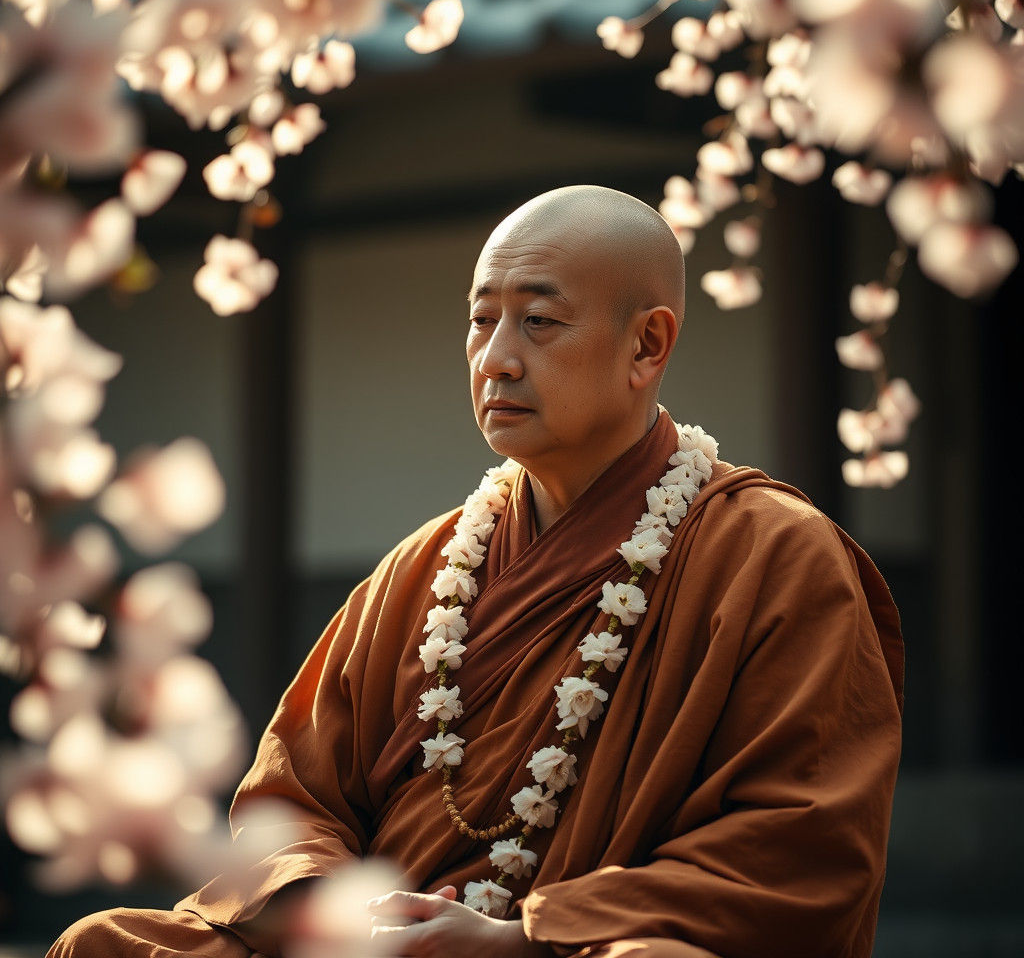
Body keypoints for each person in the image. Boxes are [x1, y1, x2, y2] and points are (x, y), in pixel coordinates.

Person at [49, 185, 904, 958]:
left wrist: (520, 939)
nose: (495, 358)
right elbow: (294, 798)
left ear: (647, 345)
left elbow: (802, 851)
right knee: (106, 944)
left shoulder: (775, 556)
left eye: (538, 321)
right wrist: (339, 910)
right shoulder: (426, 566)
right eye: (480, 319)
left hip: (579, 948)